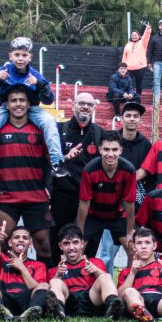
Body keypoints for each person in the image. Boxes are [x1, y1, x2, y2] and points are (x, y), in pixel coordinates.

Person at [0, 36, 64, 182]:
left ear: (30, 57)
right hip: (6, 107)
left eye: (24, 55)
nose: (20, 59)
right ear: (10, 56)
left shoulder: (35, 75)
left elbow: (49, 100)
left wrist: (40, 84)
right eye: (17, 55)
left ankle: (57, 163)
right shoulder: (3, 71)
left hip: (32, 107)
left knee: (49, 121)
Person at [0, 88, 56, 266]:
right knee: (2, 243)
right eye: (13, 100)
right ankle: (1, 288)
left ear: (28, 104)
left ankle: (46, 288)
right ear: (7, 104)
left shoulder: (41, 130)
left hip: (35, 197)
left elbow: (51, 160)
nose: (18, 104)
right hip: (7, 197)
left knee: (44, 245)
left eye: (22, 100)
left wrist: (65, 157)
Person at [51, 92, 103, 255]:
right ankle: (55, 276)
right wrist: (65, 158)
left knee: (88, 241)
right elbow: (48, 162)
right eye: (81, 103)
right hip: (63, 197)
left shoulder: (101, 134)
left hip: (90, 199)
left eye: (89, 104)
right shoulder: (59, 130)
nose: (85, 107)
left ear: (94, 108)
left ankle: (84, 278)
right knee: (57, 239)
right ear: (73, 106)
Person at [77, 130, 137, 259]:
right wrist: (80, 231)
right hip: (93, 215)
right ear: (99, 149)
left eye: (114, 150)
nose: (110, 154)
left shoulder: (129, 170)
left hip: (117, 215)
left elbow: (129, 202)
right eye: (106, 149)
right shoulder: (89, 169)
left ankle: (129, 278)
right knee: (77, 249)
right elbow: (84, 203)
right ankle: (76, 278)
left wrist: (130, 231)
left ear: (120, 150)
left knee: (132, 250)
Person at [45, 224, 123, 320]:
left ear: (82, 244)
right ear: (60, 246)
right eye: (66, 243)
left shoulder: (95, 262)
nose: (71, 247)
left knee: (105, 276)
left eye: (75, 242)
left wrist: (95, 270)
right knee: (54, 281)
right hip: (69, 303)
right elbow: (51, 292)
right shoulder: (54, 270)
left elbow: (106, 282)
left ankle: (113, 307)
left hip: (91, 301)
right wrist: (58, 275)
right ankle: (58, 312)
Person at [0, 222, 49, 321]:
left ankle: (30, 313)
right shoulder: (3, 260)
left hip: (27, 301)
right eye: (17, 237)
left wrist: (22, 267)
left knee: (44, 285)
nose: (21, 240)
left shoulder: (39, 265)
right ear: (10, 242)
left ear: (30, 244)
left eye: (25, 238)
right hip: (5, 301)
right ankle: (3, 313)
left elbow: (36, 288)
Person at [120, 23, 151, 102]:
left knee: (138, 83)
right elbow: (124, 56)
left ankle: (138, 98)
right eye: (132, 35)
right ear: (131, 37)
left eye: (135, 35)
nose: (134, 36)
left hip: (140, 67)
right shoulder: (127, 45)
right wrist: (122, 66)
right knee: (127, 83)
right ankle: (128, 98)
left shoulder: (142, 43)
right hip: (129, 68)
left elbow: (146, 36)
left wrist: (147, 29)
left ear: (139, 36)